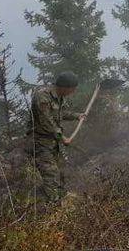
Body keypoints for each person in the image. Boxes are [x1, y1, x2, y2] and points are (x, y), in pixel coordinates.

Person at [28, 71, 86, 203]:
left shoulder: (59, 97)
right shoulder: (42, 96)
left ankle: (61, 196)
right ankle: (54, 203)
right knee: (50, 172)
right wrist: (62, 137)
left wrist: (77, 116)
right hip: (40, 141)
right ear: (64, 87)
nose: (73, 92)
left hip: (53, 142)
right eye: (72, 89)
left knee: (60, 171)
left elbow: (61, 113)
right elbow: (46, 121)